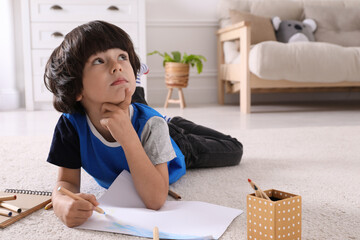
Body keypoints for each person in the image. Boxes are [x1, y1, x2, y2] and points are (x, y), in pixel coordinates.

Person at [44, 20, 243, 228]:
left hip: (176, 146)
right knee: (141, 110)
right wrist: (62, 203)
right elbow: (66, 182)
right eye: (98, 61)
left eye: (122, 56)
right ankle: (168, 120)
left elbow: (155, 200)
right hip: (145, 123)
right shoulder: (70, 125)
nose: (117, 66)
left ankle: (174, 124)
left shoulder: (151, 124)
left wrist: (128, 136)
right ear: (76, 89)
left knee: (235, 148)